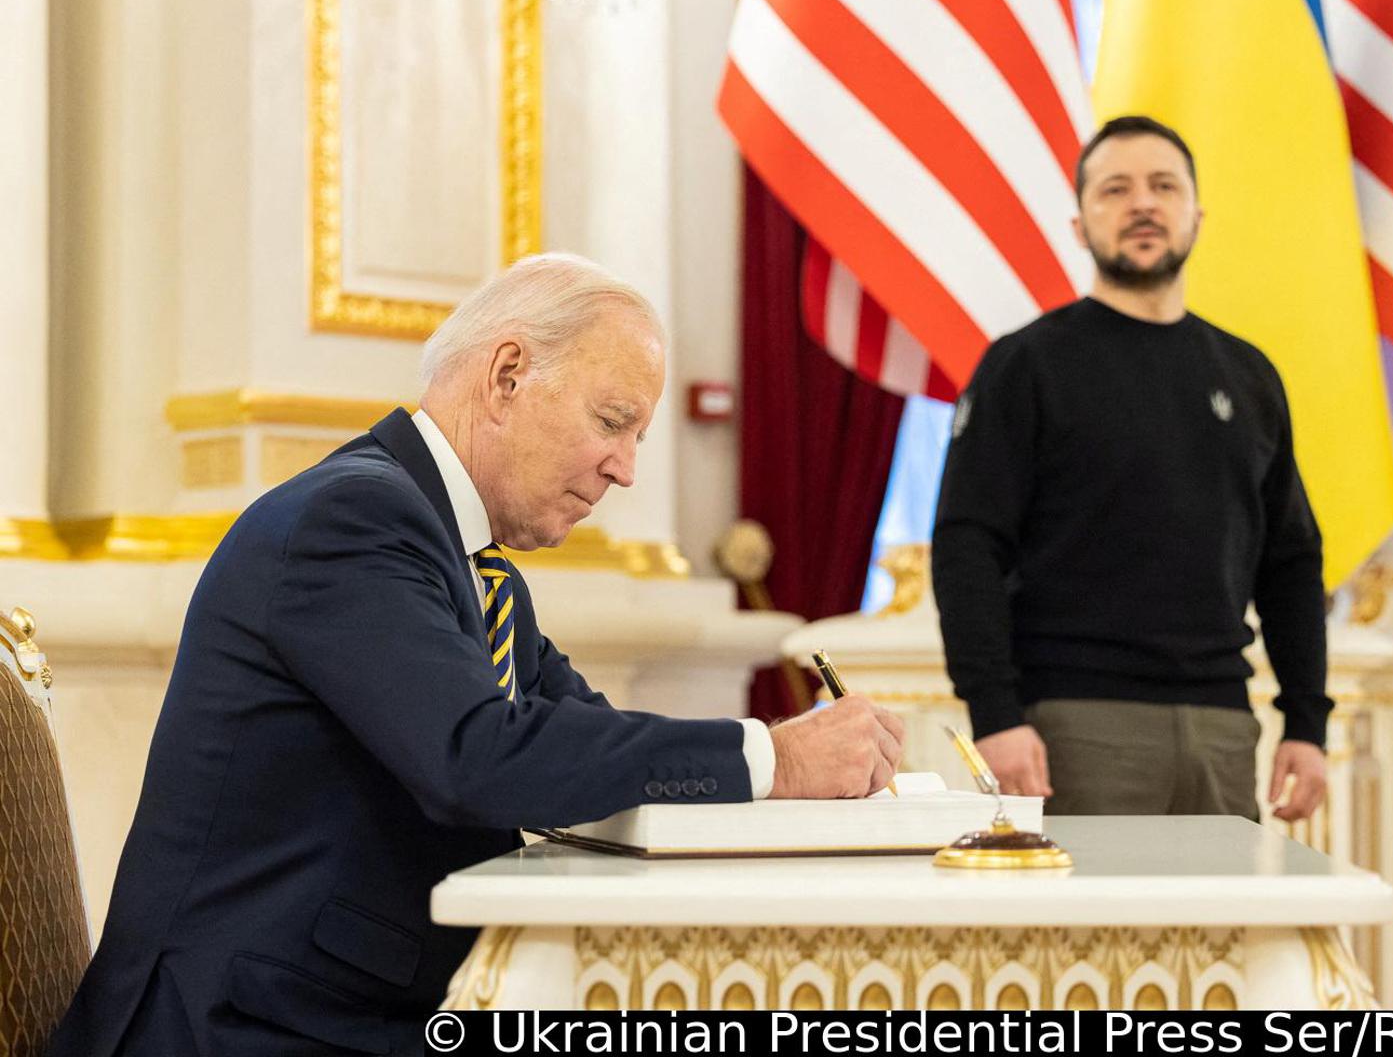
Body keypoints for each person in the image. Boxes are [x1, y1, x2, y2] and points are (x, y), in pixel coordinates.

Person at [50, 253, 904, 1057]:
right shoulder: (350, 523)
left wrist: (776, 783)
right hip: (249, 1023)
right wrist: (773, 755)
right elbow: (478, 757)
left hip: (358, 1003)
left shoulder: (469, 563)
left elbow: (578, 742)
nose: (627, 470)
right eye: (614, 423)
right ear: (506, 377)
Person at [931, 115, 1328, 824]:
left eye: (1163, 186)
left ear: (1196, 217)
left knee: (1218, 937)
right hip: (1073, 727)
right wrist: (995, 713)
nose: (1142, 204)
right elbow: (967, 548)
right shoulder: (1025, 367)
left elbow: (1291, 563)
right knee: (1088, 939)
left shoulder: (1249, 376)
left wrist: (1307, 723)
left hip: (1222, 726)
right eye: (1115, 189)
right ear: (1081, 224)